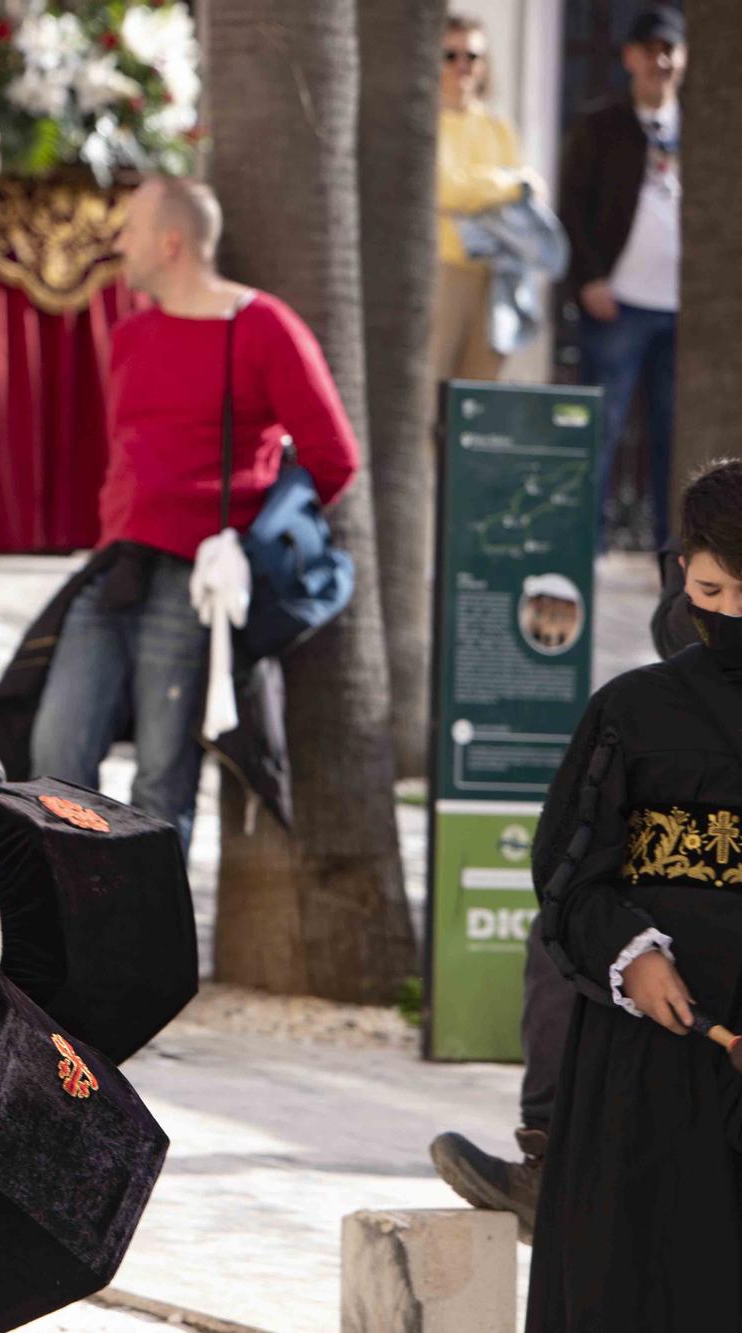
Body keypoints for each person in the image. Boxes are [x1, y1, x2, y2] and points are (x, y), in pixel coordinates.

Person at [28, 178, 359, 841]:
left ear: (170, 242)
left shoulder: (262, 326)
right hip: (116, 567)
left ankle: (149, 941)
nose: (118, 243)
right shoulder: (133, 333)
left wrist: (254, 540)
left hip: (196, 578)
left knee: (160, 783)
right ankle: (73, 925)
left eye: (130, 229)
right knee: (55, 756)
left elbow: (334, 457)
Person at [524, 458, 742, 1330]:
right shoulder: (634, 711)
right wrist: (634, 953)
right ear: (681, 574)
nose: (730, 614)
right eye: (713, 588)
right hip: (645, 1061)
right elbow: (570, 876)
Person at [559, 5, 685, 548]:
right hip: (618, 304)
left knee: (674, 438)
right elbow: (572, 208)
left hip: (684, 310)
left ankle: (675, 553)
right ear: (629, 56)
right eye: (650, 49)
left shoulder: (706, 128)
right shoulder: (601, 124)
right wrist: (587, 280)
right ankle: (587, 549)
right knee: (600, 432)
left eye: (670, 50)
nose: (661, 61)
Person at [432, 13, 540, 385]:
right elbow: (445, 189)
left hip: (498, 276)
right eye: (451, 55)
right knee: (431, 388)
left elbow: (529, 194)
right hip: (443, 271)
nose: (463, 66)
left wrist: (476, 189)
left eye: (473, 56)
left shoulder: (498, 128)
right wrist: (505, 185)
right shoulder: (426, 123)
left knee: (479, 395)